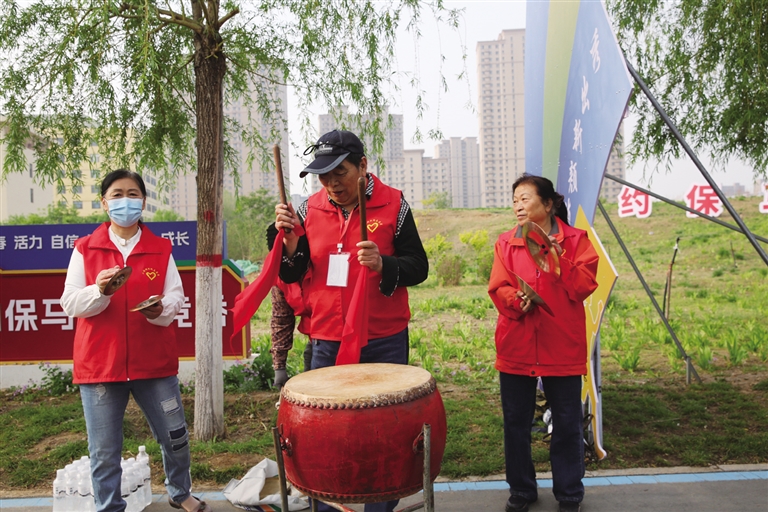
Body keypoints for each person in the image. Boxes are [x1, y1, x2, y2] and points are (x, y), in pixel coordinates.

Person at [271, 129, 429, 512]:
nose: (332, 184)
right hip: (327, 338)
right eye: (323, 177)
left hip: (384, 338)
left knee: (385, 430)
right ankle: (328, 505)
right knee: (324, 431)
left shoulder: (394, 205)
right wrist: (289, 245)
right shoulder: (308, 210)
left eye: (339, 173)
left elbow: (419, 266)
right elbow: (291, 273)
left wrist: (384, 264)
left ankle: (380, 506)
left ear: (362, 166)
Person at [60, 169, 212, 512]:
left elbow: (176, 297)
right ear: (104, 203)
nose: (125, 201)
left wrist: (160, 309)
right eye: (116, 195)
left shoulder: (160, 248)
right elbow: (70, 303)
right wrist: (99, 291)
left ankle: (180, 492)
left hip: (154, 362)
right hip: (100, 364)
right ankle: (109, 506)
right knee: (104, 450)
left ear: (143, 202)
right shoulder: (85, 248)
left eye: (132, 194)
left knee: (175, 436)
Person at [488, 174, 599, 512]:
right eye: (515, 200)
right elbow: (498, 287)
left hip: (561, 346)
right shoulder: (506, 243)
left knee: (566, 423)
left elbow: (583, 286)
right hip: (517, 345)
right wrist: (514, 300)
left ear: (548, 204)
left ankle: (569, 493)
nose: (518, 206)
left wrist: (556, 258)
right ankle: (522, 490)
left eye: (525, 199)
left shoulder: (577, 240)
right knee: (516, 424)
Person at [269, 277, 312, 387]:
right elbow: (281, 321)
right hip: (317, 341)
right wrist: (279, 367)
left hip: (348, 339)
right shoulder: (281, 278)